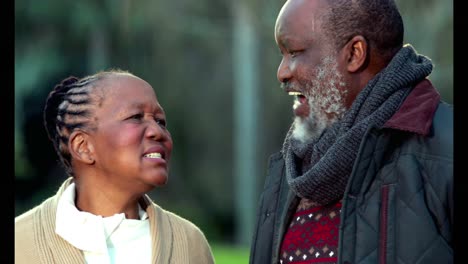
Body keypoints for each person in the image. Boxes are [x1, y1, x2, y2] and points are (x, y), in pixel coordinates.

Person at [249, 0, 453, 263]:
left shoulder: (446, 152)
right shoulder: (287, 171)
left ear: (355, 53)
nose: (282, 72)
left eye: (295, 52)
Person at [15, 69, 215, 264]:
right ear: (83, 147)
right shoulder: (20, 243)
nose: (158, 131)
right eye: (135, 117)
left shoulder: (189, 244)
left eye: (161, 121)